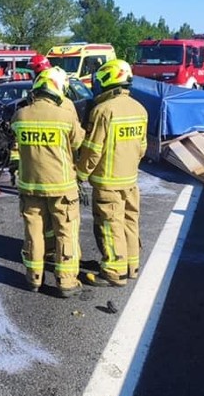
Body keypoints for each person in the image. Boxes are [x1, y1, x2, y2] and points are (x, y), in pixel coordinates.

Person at [10, 67, 85, 297]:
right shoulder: (64, 115)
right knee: (66, 231)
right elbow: (77, 143)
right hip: (62, 186)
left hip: (30, 185)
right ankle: (66, 282)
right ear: (58, 89)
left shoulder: (20, 115)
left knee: (34, 232)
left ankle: (33, 278)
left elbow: (16, 148)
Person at [77, 59, 147, 288]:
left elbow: (93, 150)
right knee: (129, 221)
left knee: (110, 225)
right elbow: (142, 147)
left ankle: (114, 271)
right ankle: (131, 266)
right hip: (130, 180)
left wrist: (80, 173)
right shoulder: (140, 109)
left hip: (107, 182)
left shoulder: (103, 110)